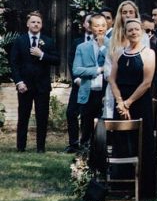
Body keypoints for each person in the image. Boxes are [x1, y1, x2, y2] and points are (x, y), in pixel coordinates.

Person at [109, 18, 157, 199]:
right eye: (130, 30)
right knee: (122, 144)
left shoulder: (149, 53)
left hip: (139, 104)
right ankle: (121, 187)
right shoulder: (118, 53)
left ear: (142, 32)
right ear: (125, 33)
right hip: (121, 105)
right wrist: (120, 102)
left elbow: (147, 82)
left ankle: (144, 190)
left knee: (141, 144)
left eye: (137, 29)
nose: (134, 32)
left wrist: (129, 102)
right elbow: (112, 79)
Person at [10, 11, 59, 153]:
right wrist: (19, 82)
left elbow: (57, 60)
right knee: (23, 116)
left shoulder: (48, 41)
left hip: (42, 86)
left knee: (42, 117)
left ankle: (40, 148)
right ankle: (20, 147)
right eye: (33, 22)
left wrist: (42, 55)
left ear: (41, 25)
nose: (36, 24)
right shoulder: (20, 40)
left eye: (38, 22)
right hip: (24, 86)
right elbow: (14, 63)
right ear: (27, 24)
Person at [104, 1, 147, 117]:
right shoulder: (113, 38)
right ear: (120, 15)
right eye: (124, 12)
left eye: (131, 12)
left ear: (135, 15)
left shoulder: (143, 37)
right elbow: (108, 65)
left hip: (136, 88)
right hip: (116, 87)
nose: (127, 15)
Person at [73, 14, 108, 147]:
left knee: (102, 131)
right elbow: (77, 70)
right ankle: (82, 162)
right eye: (97, 25)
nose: (100, 29)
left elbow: (113, 63)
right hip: (88, 92)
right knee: (86, 129)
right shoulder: (82, 47)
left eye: (103, 25)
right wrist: (98, 70)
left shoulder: (112, 45)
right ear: (90, 27)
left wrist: (103, 47)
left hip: (105, 94)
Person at [65, 14, 94, 153]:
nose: (91, 24)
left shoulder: (101, 42)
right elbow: (71, 62)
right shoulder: (77, 42)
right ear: (84, 24)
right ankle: (73, 144)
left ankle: (86, 143)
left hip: (94, 85)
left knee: (87, 115)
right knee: (71, 113)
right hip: (79, 84)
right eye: (88, 21)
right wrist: (76, 79)